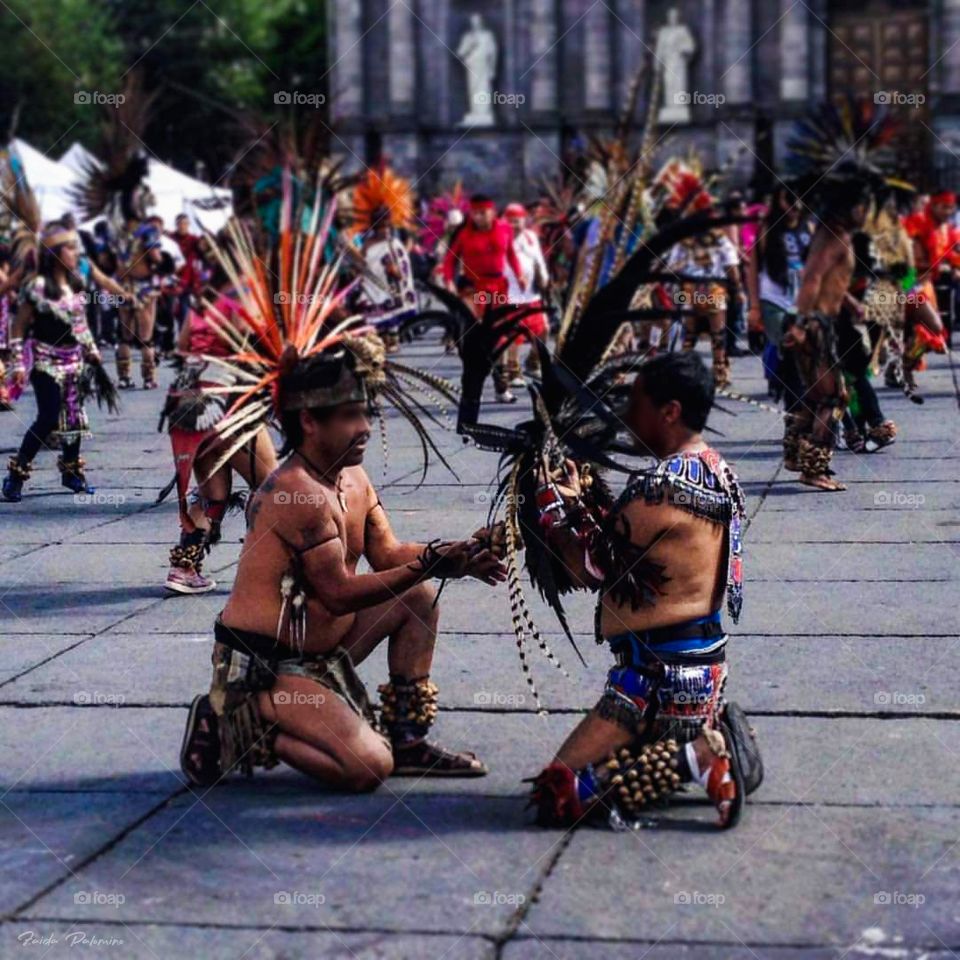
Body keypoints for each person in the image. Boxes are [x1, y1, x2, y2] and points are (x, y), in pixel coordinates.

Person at [179, 348, 507, 788]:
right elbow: (338, 593)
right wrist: (432, 563)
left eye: (365, 414)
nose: (365, 428)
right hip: (269, 667)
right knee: (367, 768)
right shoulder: (296, 494)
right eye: (350, 416)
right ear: (310, 422)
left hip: (325, 652)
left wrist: (460, 555)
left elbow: (388, 555)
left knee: (417, 599)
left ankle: (407, 739)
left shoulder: (353, 478)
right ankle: (239, 722)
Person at [525, 352, 748, 830]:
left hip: (655, 682)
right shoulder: (718, 471)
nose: (628, 416)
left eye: (638, 403)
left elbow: (591, 566)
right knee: (610, 778)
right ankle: (699, 745)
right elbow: (632, 550)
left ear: (669, 411)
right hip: (698, 669)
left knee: (557, 795)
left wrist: (549, 503)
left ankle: (695, 757)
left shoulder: (659, 485)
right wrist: (578, 501)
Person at [160, 264, 278, 594]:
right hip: (226, 401)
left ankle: (183, 569)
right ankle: (269, 568)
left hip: (187, 405)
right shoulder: (248, 292)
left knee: (214, 495)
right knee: (272, 486)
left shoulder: (201, 302)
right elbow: (247, 337)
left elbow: (183, 346)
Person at [2, 223, 104, 501]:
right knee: (47, 417)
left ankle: (71, 473)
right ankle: (16, 476)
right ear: (55, 254)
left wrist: (92, 349)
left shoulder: (74, 286)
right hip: (45, 360)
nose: (75, 254)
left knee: (73, 417)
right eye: (70, 248)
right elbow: (19, 325)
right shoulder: (36, 287)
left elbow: (80, 324)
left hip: (73, 361)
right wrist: (19, 365)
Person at [780, 181, 867, 491]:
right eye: (861, 205)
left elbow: (831, 281)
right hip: (815, 326)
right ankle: (813, 468)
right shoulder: (834, 237)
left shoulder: (830, 235)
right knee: (833, 397)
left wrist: (852, 304)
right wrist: (801, 324)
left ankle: (795, 455)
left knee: (817, 395)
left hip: (816, 324)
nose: (865, 211)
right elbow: (812, 280)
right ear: (847, 207)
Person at [442, 194, 526, 402]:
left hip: (498, 287)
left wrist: (519, 274)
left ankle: (501, 384)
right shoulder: (464, 234)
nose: (479, 217)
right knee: (481, 336)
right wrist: (448, 280)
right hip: (476, 289)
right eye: (475, 212)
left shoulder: (505, 229)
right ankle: (475, 379)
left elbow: (512, 255)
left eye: (483, 212)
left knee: (499, 335)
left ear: (492, 211)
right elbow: (449, 260)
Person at [746, 187, 813, 402]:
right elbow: (753, 269)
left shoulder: (808, 228)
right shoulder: (768, 229)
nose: (794, 207)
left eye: (798, 201)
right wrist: (754, 306)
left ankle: (808, 411)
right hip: (774, 300)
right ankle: (793, 414)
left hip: (803, 300)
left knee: (808, 354)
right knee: (790, 349)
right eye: (789, 201)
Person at [667, 227, 741, 389]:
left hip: (691, 288)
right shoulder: (720, 238)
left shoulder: (683, 239)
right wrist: (737, 290)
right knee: (717, 335)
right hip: (714, 289)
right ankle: (719, 372)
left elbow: (672, 268)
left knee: (690, 336)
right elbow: (732, 268)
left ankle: (685, 371)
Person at [901, 191, 956, 403]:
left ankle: (904, 367)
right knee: (929, 328)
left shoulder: (944, 230)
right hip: (907, 286)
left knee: (929, 330)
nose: (948, 212)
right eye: (943, 207)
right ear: (932, 206)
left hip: (922, 286)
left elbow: (950, 254)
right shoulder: (917, 224)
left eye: (950, 208)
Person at [503, 202, 550, 381]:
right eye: (510, 221)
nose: (514, 225)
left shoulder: (531, 237)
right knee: (514, 335)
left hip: (531, 295)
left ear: (524, 220)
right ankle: (513, 371)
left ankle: (532, 362)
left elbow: (539, 260)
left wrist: (544, 278)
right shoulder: (501, 239)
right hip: (510, 296)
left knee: (543, 330)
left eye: (517, 221)